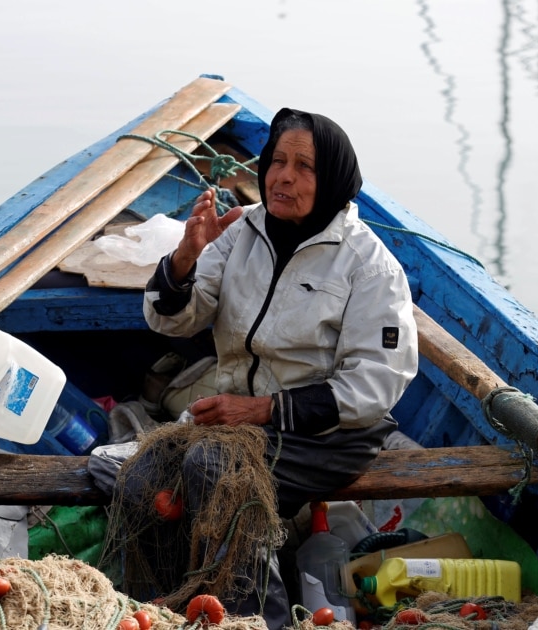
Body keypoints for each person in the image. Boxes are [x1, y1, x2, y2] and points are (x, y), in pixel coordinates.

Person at [139, 108, 419, 628]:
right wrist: (181, 263)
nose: (283, 176)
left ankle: (259, 619)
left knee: (218, 474)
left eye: (304, 167)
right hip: (237, 422)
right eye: (277, 161)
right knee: (139, 478)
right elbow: (172, 320)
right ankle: (178, 603)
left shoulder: (369, 266)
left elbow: (376, 385)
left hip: (329, 436)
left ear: (331, 179)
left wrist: (265, 409)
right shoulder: (243, 232)